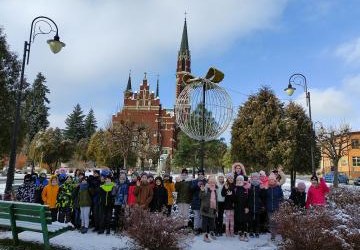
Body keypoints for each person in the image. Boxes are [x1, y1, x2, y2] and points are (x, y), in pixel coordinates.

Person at [199, 176, 218, 243]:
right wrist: (202, 190)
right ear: (208, 181)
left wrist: (217, 210)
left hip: (212, 209)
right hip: (205, 209)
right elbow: (201, 197)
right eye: (210, 181)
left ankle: (211, 232)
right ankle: (205, 234)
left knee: (212, 222)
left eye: (213, 181)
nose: (212, 182)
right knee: (205, 222)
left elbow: (216, 200)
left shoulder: (215, 189)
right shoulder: (205, 188)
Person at [247, 172, 266, 238]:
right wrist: (247, 205)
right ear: (251, 177)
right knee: (251, 219)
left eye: (256, 177)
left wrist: (263, 189)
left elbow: (263, 197)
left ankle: (257, 231)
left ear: (258, 177)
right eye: (253, 177)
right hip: (251, 205)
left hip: (258, 205)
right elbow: (247, 196)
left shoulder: (260, 185)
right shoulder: (249, 185)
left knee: (257, 219)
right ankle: (251, 231)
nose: (254, 178)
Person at [266, 173, 284, 241]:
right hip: (269, 208)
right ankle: (273, 235)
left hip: (277, 207)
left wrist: (281, 204)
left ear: (275, 180)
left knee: (278, 221)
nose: (271, 181)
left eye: (272, 180)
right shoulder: (267, 188)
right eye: (270, 180)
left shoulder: (278, 188)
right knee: (271, 221)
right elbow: (265, 198)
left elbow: (281, 197)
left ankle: (282, 235)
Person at [191, 169, 207, 235]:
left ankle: (200, 228)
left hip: (203, 201)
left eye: (201, 174)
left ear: (204, 175)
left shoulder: (206, 182)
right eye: (199, 174)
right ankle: (196, 228)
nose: (200, 175)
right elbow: (191, 189)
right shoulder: (194, 181)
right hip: (196, 201)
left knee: (201, 216)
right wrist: (197, 185)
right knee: (196, 216)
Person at [234, 175, 250, 241]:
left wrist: (247, 207)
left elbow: (248, 199)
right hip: (237, 207)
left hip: (244, 207)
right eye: (238, 180)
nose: (239, 181)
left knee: (245, 220)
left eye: (241, 180)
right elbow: (233, 199)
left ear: (243, 181)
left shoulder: (246, 189)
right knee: (238, 220)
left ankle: (245, 233)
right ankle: (240, 232)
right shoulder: (235, 189)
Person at [221, 172, 235, 237]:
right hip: (227, 205)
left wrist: (231, 195)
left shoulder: (235, 185)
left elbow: (235, 195)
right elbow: (222, 194)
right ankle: (227, 231)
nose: (230, 179)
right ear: (227, 178)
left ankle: (232, 231)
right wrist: (226, 189)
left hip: (233, 205)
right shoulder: (225, 185)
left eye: (231, 178)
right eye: (229, 178)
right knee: (227, 219)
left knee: (232, 219)